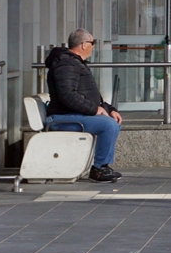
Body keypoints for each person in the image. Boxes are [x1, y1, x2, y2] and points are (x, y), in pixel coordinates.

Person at [43, 29, 123, 183]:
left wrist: (110, 109)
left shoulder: (74, 63)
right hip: (62, 118)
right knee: (109, 126)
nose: (93, 47)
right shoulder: (67, 64)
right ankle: (100, 168)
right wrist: (94, 110)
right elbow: (68, 95)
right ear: (84, 44)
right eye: (93, 43)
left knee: (113, 122)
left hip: (71, 115)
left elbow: (91, 96)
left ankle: (102, 166)